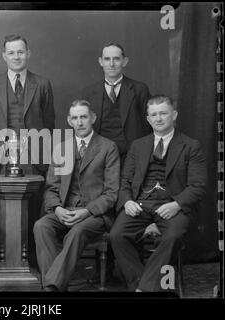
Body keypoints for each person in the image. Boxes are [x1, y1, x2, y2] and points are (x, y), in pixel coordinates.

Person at [110, 95, 207, 292]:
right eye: (154, 114)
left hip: (172, 204)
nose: (159, 118)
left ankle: (143, 290)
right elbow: (125, 181)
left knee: (172, 236)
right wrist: (127, 201)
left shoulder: (191, 146)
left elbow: (198, 186)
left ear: (174, 115)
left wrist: (176, 205)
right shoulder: (138, 145)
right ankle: (143, 285)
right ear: (148, 119)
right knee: (117, 235)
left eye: (163, 113)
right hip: (140, 204)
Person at [0, 34, 55, 264]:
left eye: (20, 52)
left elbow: (49, 123)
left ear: (28, 54)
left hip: (33, 157)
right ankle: (7, 262)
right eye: (11, 53)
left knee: (33, 211)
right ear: (4, 56)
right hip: (1, 158)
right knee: (4, 213)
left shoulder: (42, 84)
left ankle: (31, 263)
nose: (16, 57)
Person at [33, 100, 120, 292]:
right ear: (69, 121)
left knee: (77, 232)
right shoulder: (61, 148)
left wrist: (86, 211)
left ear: (93, 118)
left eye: (84, 117)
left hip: (95, 215)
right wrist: (57, 208)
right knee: (41, 226)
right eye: (75, 118)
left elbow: (112, 193)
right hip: (64, 209)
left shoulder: (108, 147)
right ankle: (57, 285)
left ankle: (51, 287)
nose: (79, 122)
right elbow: (51, 188)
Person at [80, 42, 151, 163]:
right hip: (99, 158)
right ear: (100, 62)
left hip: (131, 157)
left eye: (116, 59)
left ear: (125, 61)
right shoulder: (88, 93)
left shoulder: (139, 90)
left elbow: (149, 126)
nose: (111, 64)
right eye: (107, 59)